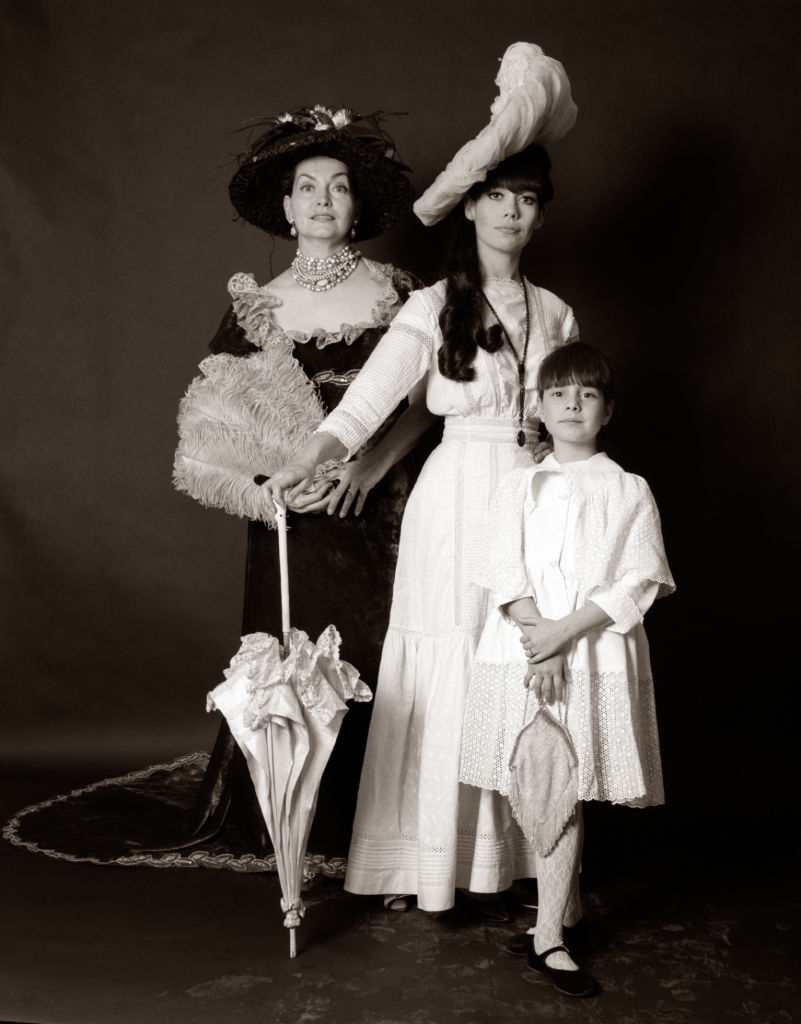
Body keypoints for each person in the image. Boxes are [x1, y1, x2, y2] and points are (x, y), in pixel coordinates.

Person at [265, 43, 580, 912]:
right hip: (454, 497)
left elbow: (574, 425)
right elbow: (363, 407)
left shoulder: (557, 313)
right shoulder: (431, 307)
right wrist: (304, 460)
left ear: (538, 216)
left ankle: (512, 861)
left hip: (533, 500)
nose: (510, 212)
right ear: (469, 206)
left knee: (516, 666)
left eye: (526, 200)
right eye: (497, 196)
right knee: (443, 663)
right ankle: (422, 864)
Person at [169, 104, 440, 868]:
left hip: (389, 503)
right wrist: (273, 486)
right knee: (297, 654)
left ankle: (393, 826)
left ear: (357, 206)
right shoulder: (255, 307)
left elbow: (433, 398)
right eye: (307, 187)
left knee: (393, 655)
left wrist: (368, 468)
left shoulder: (403, 291)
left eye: (339, 186)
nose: (323, 199)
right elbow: (220, 426)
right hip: (293, 520)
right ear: (286, 208)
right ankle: (300, 819)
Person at [459, 341, 675, 996]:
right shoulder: (517, 485)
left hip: (592, 648)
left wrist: (561, 635)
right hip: (522, 650)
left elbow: (638, 578)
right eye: (558, 394)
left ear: (606, 410)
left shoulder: (628, 489)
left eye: (587, 394)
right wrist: (540, 638)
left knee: (562, 783)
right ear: (540, 408)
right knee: (541, 779)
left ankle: (548, 935)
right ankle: (564, 914)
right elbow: (501, 567)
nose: (572, 404)